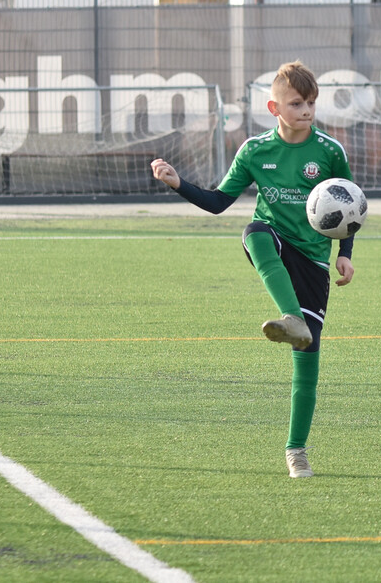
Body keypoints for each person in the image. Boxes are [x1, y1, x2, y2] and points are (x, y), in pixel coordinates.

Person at [150, 60, 356, 479]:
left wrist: (344, 253)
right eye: (297, 103)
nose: (306, 110)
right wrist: (177, 183)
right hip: (277, 242)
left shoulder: (330, 152)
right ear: (274, 108)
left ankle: (296, 450)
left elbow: (350, 207)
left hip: (314, 262)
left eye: (311, 102)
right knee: (254, 230)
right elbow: (218, 202)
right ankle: (292, 318)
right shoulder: (255, 150)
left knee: (307, 360)